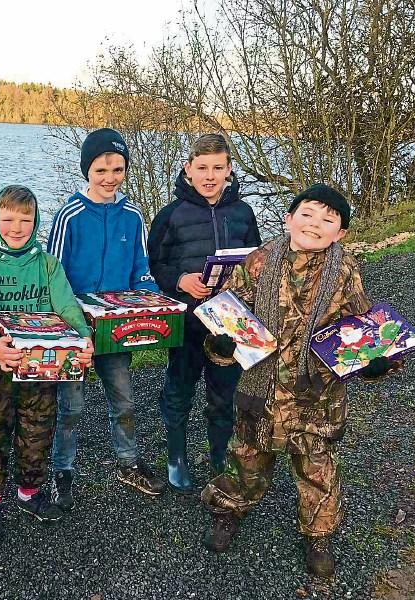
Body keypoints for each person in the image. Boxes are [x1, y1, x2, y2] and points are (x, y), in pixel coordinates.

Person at [200, 184, 395, 576]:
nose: (315, 224)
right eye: (307, 213)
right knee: (246, 460)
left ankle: (318, 535)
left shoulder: (344, 270)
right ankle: (228, 510)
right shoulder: (259, 260)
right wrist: (221, 343)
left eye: (328, 219)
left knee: (316, 470)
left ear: (340, 233)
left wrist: (374, 361)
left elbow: (362, 325)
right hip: (262, 388)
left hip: (317, 394)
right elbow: (230, 312)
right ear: (289, 218)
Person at [47, 128, 166, 510]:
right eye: (101, 169)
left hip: (116, 328)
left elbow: (141, 268)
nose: (110, 177)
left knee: (124, 400)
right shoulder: (70, 215)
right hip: (74, 329)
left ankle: (128, 462)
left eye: (118, 168)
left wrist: (150, 299)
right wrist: (68, 321)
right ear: (87, 170)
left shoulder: (132, 216)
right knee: (72, 407)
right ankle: (61, 470)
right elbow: (53, 273)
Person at [0, 184, 93, 538]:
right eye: (8, 220)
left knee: (37, 432)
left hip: (43, 367)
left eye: (26, 220)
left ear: (36, 221)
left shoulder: (48, 265)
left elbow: (67, 305)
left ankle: (29, 493)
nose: (17, 228)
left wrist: (83, 336)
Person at [147, 133, 261, 492]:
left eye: (217, 168)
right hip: (187, 319)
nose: (209, 175)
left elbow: (257, 261)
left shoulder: (243, 213)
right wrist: (181, 280)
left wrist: (243, 284)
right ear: (188, 169)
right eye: (202, 168)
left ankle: (219, 457)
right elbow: (155, 265)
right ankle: (176, 456)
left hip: (229, 321)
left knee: (223, 394)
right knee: (179, 388)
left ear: (228, 171)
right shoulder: (170, 215)